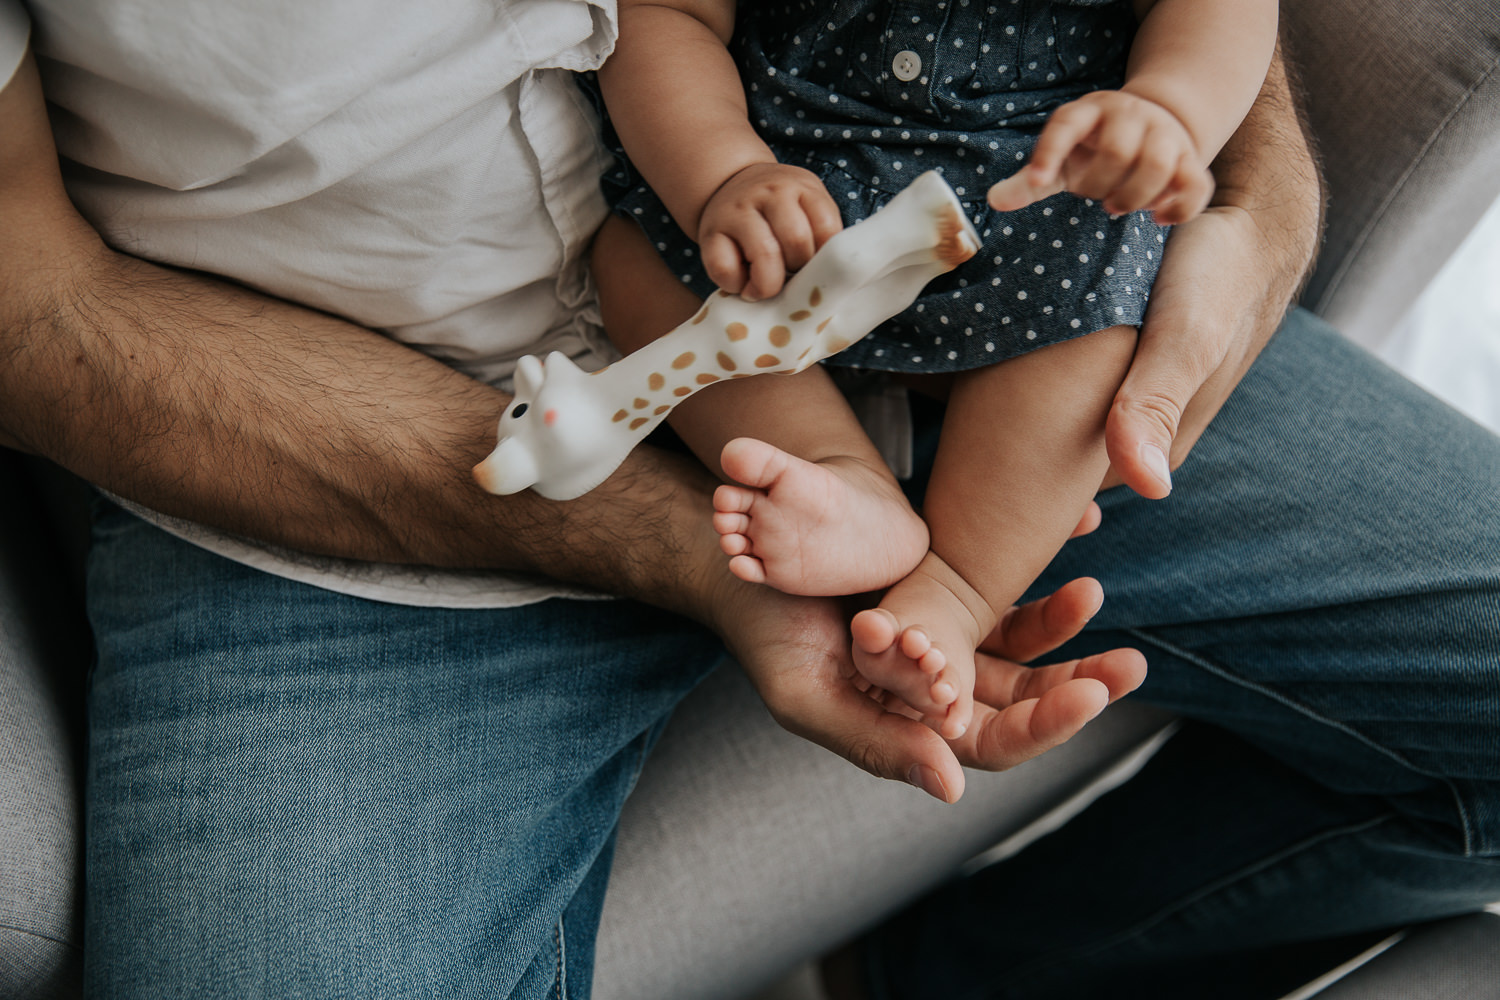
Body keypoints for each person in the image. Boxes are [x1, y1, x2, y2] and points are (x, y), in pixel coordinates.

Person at [0, 2, 1495, 1000]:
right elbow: (31, 315)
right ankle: (870, 519)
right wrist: (698, 554)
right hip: (349, 444)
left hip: (984, 276)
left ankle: (945, 962)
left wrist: (1235, 175)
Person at [589, 0, 1275, 741]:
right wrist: (722, 171)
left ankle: (956, 588)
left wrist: (1167, 110)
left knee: (1099, 309)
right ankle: (841, 475)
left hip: (1037, 180)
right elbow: (666, 16)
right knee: (634, 260)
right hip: (790, 163)